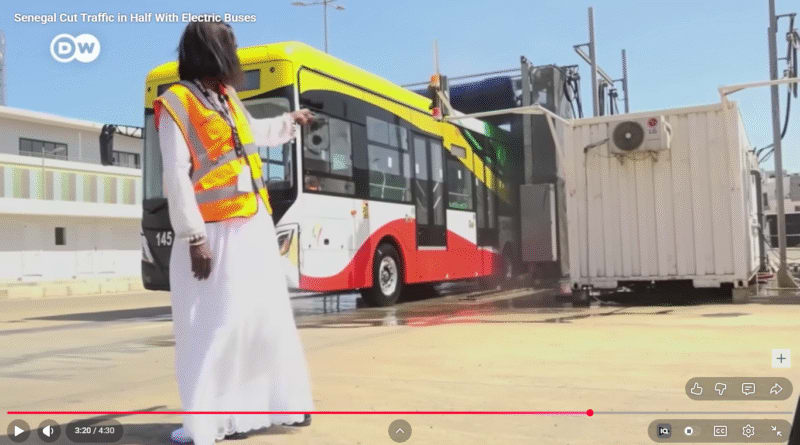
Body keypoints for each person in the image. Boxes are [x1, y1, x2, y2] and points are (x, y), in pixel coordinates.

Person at [154, 21, 315, 445]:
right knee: (214, 326)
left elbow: (254, 135)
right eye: (231, 46)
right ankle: (207, 421)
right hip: (211, 235)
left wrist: (290, 121)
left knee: (263, 319)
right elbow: (175, 175)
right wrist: (194, 237)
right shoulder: (176, 102)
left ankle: (280, 403)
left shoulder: (225, 97)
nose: (237, 53)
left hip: (252, 224)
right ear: (211, 52)